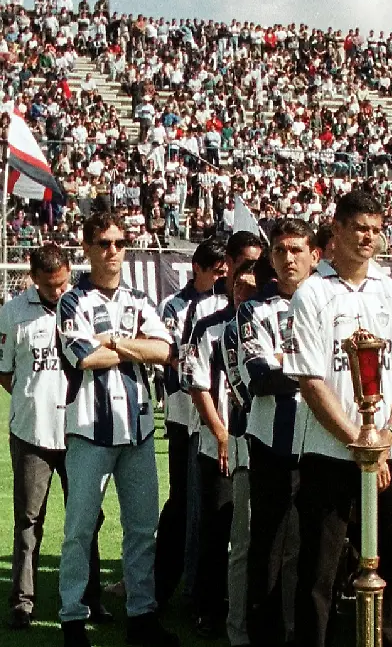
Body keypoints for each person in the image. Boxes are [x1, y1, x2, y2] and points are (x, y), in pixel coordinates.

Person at [284, 191, 392, 647]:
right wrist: (358, 443)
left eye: (374, 229)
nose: (367, 238)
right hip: (331, 453)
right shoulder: (313, 292)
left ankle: (385, 641)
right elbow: (311, 381)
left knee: (391, 563)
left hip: (390, 453)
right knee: (320, 570)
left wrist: (385, 439)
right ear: (338, 230)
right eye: (358, 228)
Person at [57, 212, 177, 647]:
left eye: (119, 243)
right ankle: (73, 616)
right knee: (79, 528)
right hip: (90, 431)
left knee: (142, 528)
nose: (112, 251)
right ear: (87, 248)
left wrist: (114, 343)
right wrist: (133, 348)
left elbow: (164, 351)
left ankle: (141, 615)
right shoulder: (73, 301)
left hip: (139, 429)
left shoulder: (142, 300)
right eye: (103, 243)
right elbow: (83, 358)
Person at [2, 245, 109, 630]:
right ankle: (22, 602)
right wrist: (34, 397)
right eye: (50, 286)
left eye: (64, 282)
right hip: (33, 431)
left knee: (85, 520)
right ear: (33, 279)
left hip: (81, 428)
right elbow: (5, 371)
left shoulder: (84, 304)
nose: (59, 291)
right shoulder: (14, 311)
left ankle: (89, 599)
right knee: (29, 521)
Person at [237, 219, 319, 647]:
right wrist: (316, 376)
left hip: (324, 444)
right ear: (271, 258)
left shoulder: (330, 307)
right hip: (274, 445)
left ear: (314, 256)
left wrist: (295, 370)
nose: (290, 258)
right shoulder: (254, 310)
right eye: (282, 251)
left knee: (317, 549)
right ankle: (265, 635)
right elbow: (260, 376)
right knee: (269, 546)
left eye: (297, 250)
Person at [185, 260, 259, 643]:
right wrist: (221, 434)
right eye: (240, 286)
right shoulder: (209, 328)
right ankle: (209, 609)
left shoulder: (269, 323)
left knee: (253, 534)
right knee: (217, 531)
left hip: (258, 443)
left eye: (253, 286)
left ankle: (250, 609)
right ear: (230, 285)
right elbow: (198, 385)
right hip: (220, 442)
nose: (246, 293)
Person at [155, 238, 227, 608]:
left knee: (211, 503)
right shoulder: (173, 305)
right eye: (215, 268)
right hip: (183, 416)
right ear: (198, 267)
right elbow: (166, 354)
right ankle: (166, 579)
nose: (221, 274)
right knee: (181, 499)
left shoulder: (226, 303)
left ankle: (199, 582)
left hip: (216, 415)